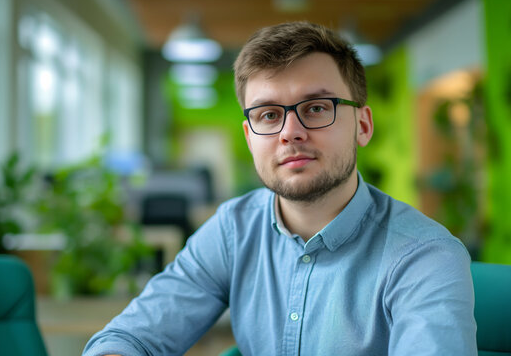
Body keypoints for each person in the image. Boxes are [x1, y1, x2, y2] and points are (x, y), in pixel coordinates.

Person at [83, 21, 477, 356]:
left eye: (317, 108)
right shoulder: (233, 229)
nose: (290, 132)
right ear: (250, 136)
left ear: (363, 125)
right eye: (269, 115)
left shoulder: (425, 257)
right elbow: (131, 336)